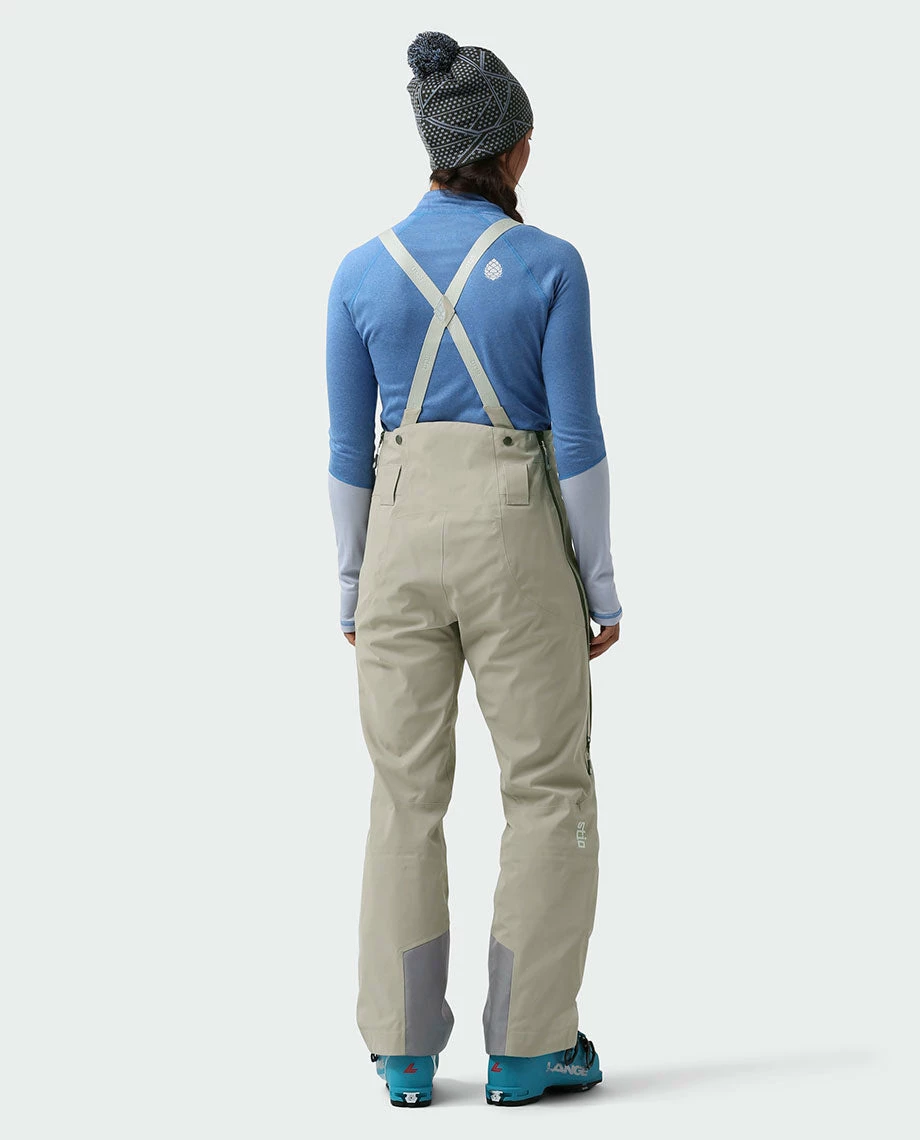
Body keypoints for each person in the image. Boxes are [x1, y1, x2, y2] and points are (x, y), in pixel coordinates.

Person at [325, 30, 623, 1108]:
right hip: (514, 533)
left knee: (404, 793)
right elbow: (576, 442)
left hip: (398, 534)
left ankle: (403, 1051)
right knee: (545, 785)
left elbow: (347, 451)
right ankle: (529, 1047)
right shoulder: (550, 266)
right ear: (515, 149)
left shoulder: (360, 272)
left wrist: (352, 584)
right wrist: (599, 586)